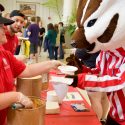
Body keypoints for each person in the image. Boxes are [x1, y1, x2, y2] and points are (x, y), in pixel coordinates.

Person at [0, 4, 62, 125]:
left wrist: (51, 64)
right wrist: (17, 97)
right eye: (0, 25)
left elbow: (26, 71)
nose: (4, 27)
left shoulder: (4, 54)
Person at [75, 49, 109, 123]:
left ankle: (96, 122)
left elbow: (80, 53)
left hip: (92, 70)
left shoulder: (91, 39)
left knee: (95, 99)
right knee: (104, 97)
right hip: (105, 70)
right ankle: (102, 119)